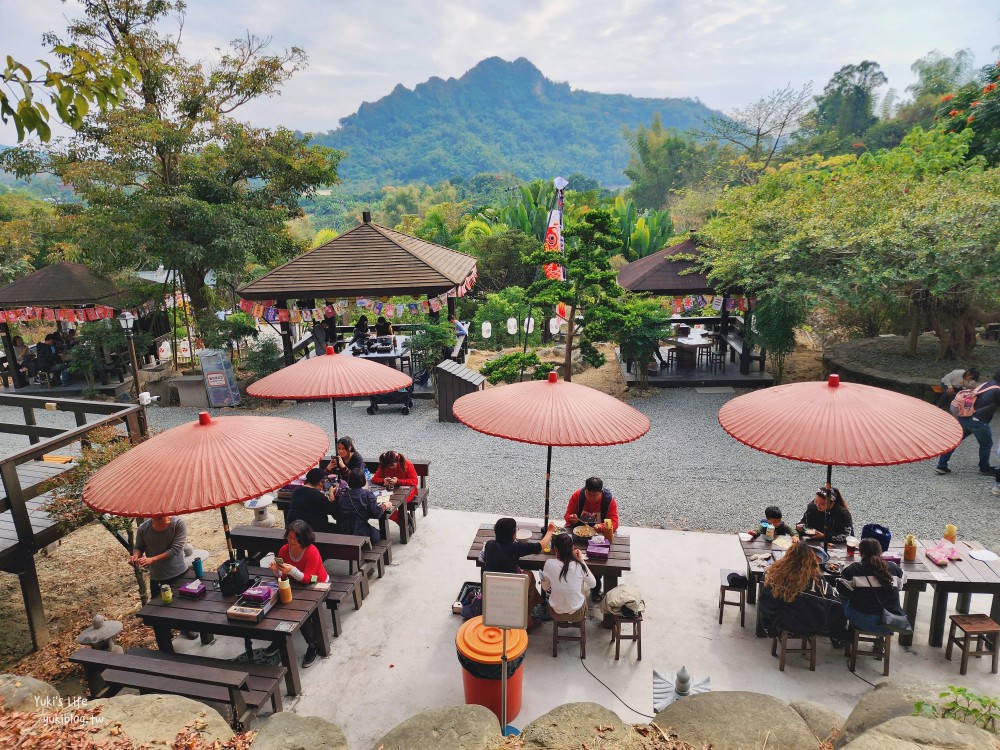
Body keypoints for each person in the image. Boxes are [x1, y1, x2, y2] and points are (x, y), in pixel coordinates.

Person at [758, 540, 847, 644]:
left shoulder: (776, 577)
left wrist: (770, 629)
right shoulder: (819, 581)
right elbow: (836, 605)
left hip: (787, 623)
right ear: (811, 560)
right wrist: (837, 632)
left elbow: (766, 605)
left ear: (788, 556)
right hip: (815, 626)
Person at [269, 520, 327, 667]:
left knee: (300, 609)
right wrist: (276, 570)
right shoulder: (283, 550)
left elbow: (308, 579)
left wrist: (291, 570)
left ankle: (312, 645)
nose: (292, 541)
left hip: (318, 584)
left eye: (295, 538)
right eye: (289, 538)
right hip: (296, 585)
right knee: (276, 602)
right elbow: (281, 577)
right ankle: (278, 639)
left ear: (304, 538)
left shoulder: (311, 551)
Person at [130, 515, 197, 640]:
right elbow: (139, 546)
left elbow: (176, 548)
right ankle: (165, 633)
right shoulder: (143, 528)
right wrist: (135, 556)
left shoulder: (178, 524)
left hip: (178, 572)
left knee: (183, 604)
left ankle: (187, 628)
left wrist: (152, 559)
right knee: (160, 607)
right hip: (157, 575)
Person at [836, 538, 907, 652]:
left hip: (862, 620)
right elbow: (901, 585)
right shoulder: (893, 568)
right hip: (890, 622)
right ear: (881, 552)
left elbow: (842, 591)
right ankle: (879, 641)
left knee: (842, 599)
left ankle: (845, 635)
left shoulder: (854, 569)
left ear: (860, 553)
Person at [481, 518, 557, 621]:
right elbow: (541, 545)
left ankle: (534, 605)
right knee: (529, 575)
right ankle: (529, 618)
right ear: (514, 534)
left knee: (524, 577)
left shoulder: (489, 545)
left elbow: (486, 559)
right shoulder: (516, 547)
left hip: (492, 592)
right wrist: (550, 531)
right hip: (512, 591)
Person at [936, 369, 1000, 476]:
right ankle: (984, 468)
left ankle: (941, 466)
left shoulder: (986, 384)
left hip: (965, 416)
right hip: (978, 422)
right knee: (986, 444)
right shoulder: (997, 390)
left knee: (955, 441)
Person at [564, 477, 619, 602]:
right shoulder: (577, 496)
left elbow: (615, 522)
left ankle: (596, 587)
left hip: (597, 537)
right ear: (585, 491)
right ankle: (570, 586)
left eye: (595, 495)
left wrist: (601, 526)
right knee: (568, 557)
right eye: (588, 494)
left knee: (597, 560)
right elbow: (568, 515)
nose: (591, 498)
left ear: (601, 492)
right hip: (577, 533)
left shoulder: (608, 500)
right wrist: (571, 518)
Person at [541, 533, 596, 621]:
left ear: (555, 549)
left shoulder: (549, 564)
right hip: (577, 614)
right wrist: (581, 561)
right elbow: (593, 584)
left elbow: (545, 588)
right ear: (572, 548)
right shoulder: (579, 565)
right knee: (580, 584)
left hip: (555, 614)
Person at [336, 468, 392, 544]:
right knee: (378, 535)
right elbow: (376, 513)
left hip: (344, 530)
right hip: (360, 530)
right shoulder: (367, 494)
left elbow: (337, 515)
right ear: (363, 480)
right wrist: (385, 505)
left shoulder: (343, 496)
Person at [371, 450, 418, 526]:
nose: (390, 468)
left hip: (408, 491)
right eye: (388, 466)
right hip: (391, 491)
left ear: (397, 461)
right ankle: (402, 520)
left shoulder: (407, 464)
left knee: (392, 504)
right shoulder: (384, 464)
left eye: (392, 466)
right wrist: (383, 480)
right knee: (383, 505)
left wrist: (398, 481)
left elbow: (414, 481)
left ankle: (404, 522)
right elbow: (374, 478)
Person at [287, 468, 339, 533]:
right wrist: (331, 495)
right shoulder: (318, 496)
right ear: (320, 483)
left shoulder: (297, 490)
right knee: (339, 528)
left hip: (292, 526)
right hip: (311, 530)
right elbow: (334, 512)